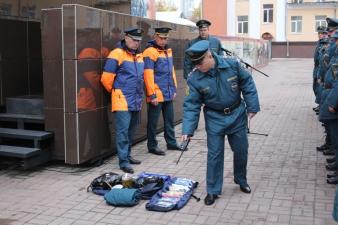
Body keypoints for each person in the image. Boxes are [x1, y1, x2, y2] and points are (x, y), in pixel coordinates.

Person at [181, 40, 260, 205]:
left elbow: (247, 83)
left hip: (237, 114)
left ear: (210, 55)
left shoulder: (232, 65)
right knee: (214, 155)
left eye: (201, 62)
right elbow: (191, 105)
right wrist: (187, 130)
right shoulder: (194, 78)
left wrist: (252, 106)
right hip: (214, 118)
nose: (198, 66)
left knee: (241, 150)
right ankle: (213, 190)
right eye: (195, 64)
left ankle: (241, 179)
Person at [101, 28, 144, 174]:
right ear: (126, 37)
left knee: (131, 131)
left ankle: (128, 155)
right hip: (122, 100)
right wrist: (117, 92)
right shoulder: (116, 54)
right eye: (134, 39)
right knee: (123, 132)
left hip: (136, 99)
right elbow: (106, 79)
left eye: (139, 40)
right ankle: (123, 162)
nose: (136, 43)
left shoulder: (139, 55)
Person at [143, 27, 180, 156]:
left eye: (165, 38)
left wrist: (174, 88)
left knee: (169, 120)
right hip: (156, 94)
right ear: (155, 37)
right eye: (161, 38)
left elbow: (172, 71)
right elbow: (148, 75)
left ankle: (171, 143)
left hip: (168, 92)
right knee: (153, 122)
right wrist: (151, 94)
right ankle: (152, 146)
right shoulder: (149, 52)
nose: (163, 40)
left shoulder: (168, 51)